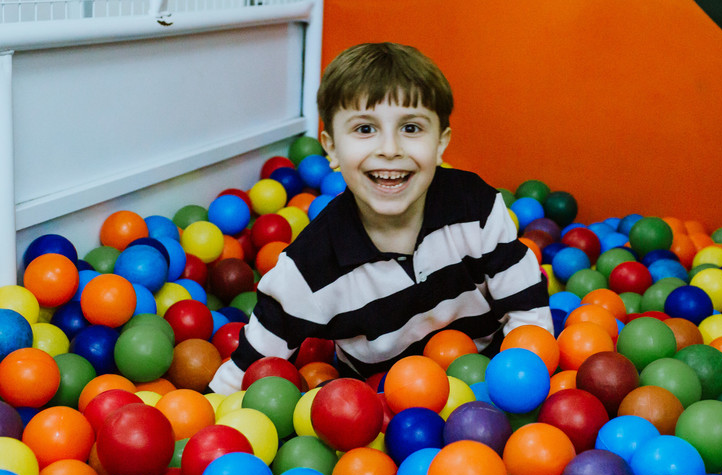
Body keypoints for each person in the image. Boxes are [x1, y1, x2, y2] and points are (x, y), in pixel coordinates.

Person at [208, 42, 552, 394]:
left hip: (488, 381)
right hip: (374, 410)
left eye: (412, 128)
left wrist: (515, 393)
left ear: (440, 143)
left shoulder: (476, 208)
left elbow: (529, 315)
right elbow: (245, 377)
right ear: (331, 147)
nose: (390, 149)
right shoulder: (310, 269)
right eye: (365, 129)